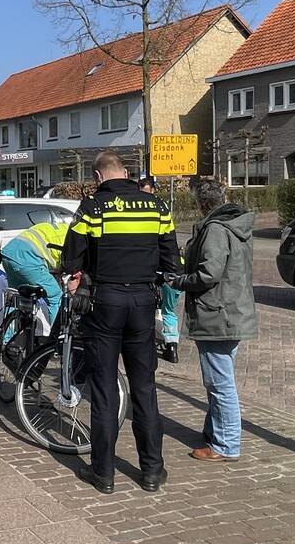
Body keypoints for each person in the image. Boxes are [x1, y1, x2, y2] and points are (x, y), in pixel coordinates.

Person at [62, 152, 181, 494]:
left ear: (99, 177)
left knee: (104, 390)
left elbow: (71, 257)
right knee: (144, 387)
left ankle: (103, 474)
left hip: (105, 303)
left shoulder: (93, 207)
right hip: (143, 303)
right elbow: (172, 259)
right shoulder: (157, 207)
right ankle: (153, 472)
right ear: (127, 173)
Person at [168, 180, 257, 462]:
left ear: (202, 203)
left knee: (220, 383)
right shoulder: (235, 225)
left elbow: (209, 274)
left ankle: (226, 444)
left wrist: (179, 280)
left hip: (217, 313)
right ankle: (214, 432)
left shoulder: (216, 229)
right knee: (220, 378)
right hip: (232, 311)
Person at [138, 176, 182, 364]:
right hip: (173, 270)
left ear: (153, 190)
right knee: (168, 310)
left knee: (158, 309)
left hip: (158, 271)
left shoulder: (146, 210)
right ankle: (172, 347)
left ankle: (160, 346)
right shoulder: (161, 210)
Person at [0, 220, 70, 326]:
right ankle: (57, 338)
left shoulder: (61, 229)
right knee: (55, 297)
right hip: (28, 258)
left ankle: (7, 338)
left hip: (8, 254)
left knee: (16, 297)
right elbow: (69, 265)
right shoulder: (73, 238)